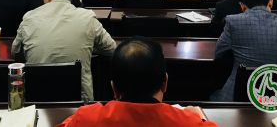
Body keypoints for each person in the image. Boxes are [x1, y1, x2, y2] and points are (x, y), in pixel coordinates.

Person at [56, 37, 217, 127]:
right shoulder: (189, 122)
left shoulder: (86, 118)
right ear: (165, 83)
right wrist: (199, 118)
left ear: (114, 88)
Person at [12, 0, 116, 102]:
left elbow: (15, 52)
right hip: (79, 102)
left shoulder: (29, 17)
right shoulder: (87, 17)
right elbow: (112, 48)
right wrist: (88, 45)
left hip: (36, 99)